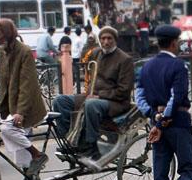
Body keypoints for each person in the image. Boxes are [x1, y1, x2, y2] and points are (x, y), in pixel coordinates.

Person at [135, 25, 192, 180]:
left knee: (160, 176)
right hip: (177, 124)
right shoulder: (178, 66)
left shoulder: (147, 67)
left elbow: (139, 97)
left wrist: (155, 117)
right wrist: (162, 121)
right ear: (173, 43)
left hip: (156, 126)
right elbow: (176, 97)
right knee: (188, 170)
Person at [0, 19, 49, 180]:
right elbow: (4, 85)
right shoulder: (2, 52)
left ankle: (38, 154)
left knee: (8, 130)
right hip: (13, 106)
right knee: (21, 157)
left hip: (28, 107)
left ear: (7, 34)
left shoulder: (24, 52)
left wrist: (21, 112)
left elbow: (27, 85)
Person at [52, 26, 135, 159]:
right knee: (60, 101)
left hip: (116, 102)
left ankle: (91, 146)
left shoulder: (124, 59)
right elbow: (85, 61)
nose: (106, 42)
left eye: (109, 38)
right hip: (92, 96)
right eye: (103, 38)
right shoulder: (96, 53)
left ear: (115, 40)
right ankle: (71, 141)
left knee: (91, 104)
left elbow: (124, 91)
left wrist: (100, 95)